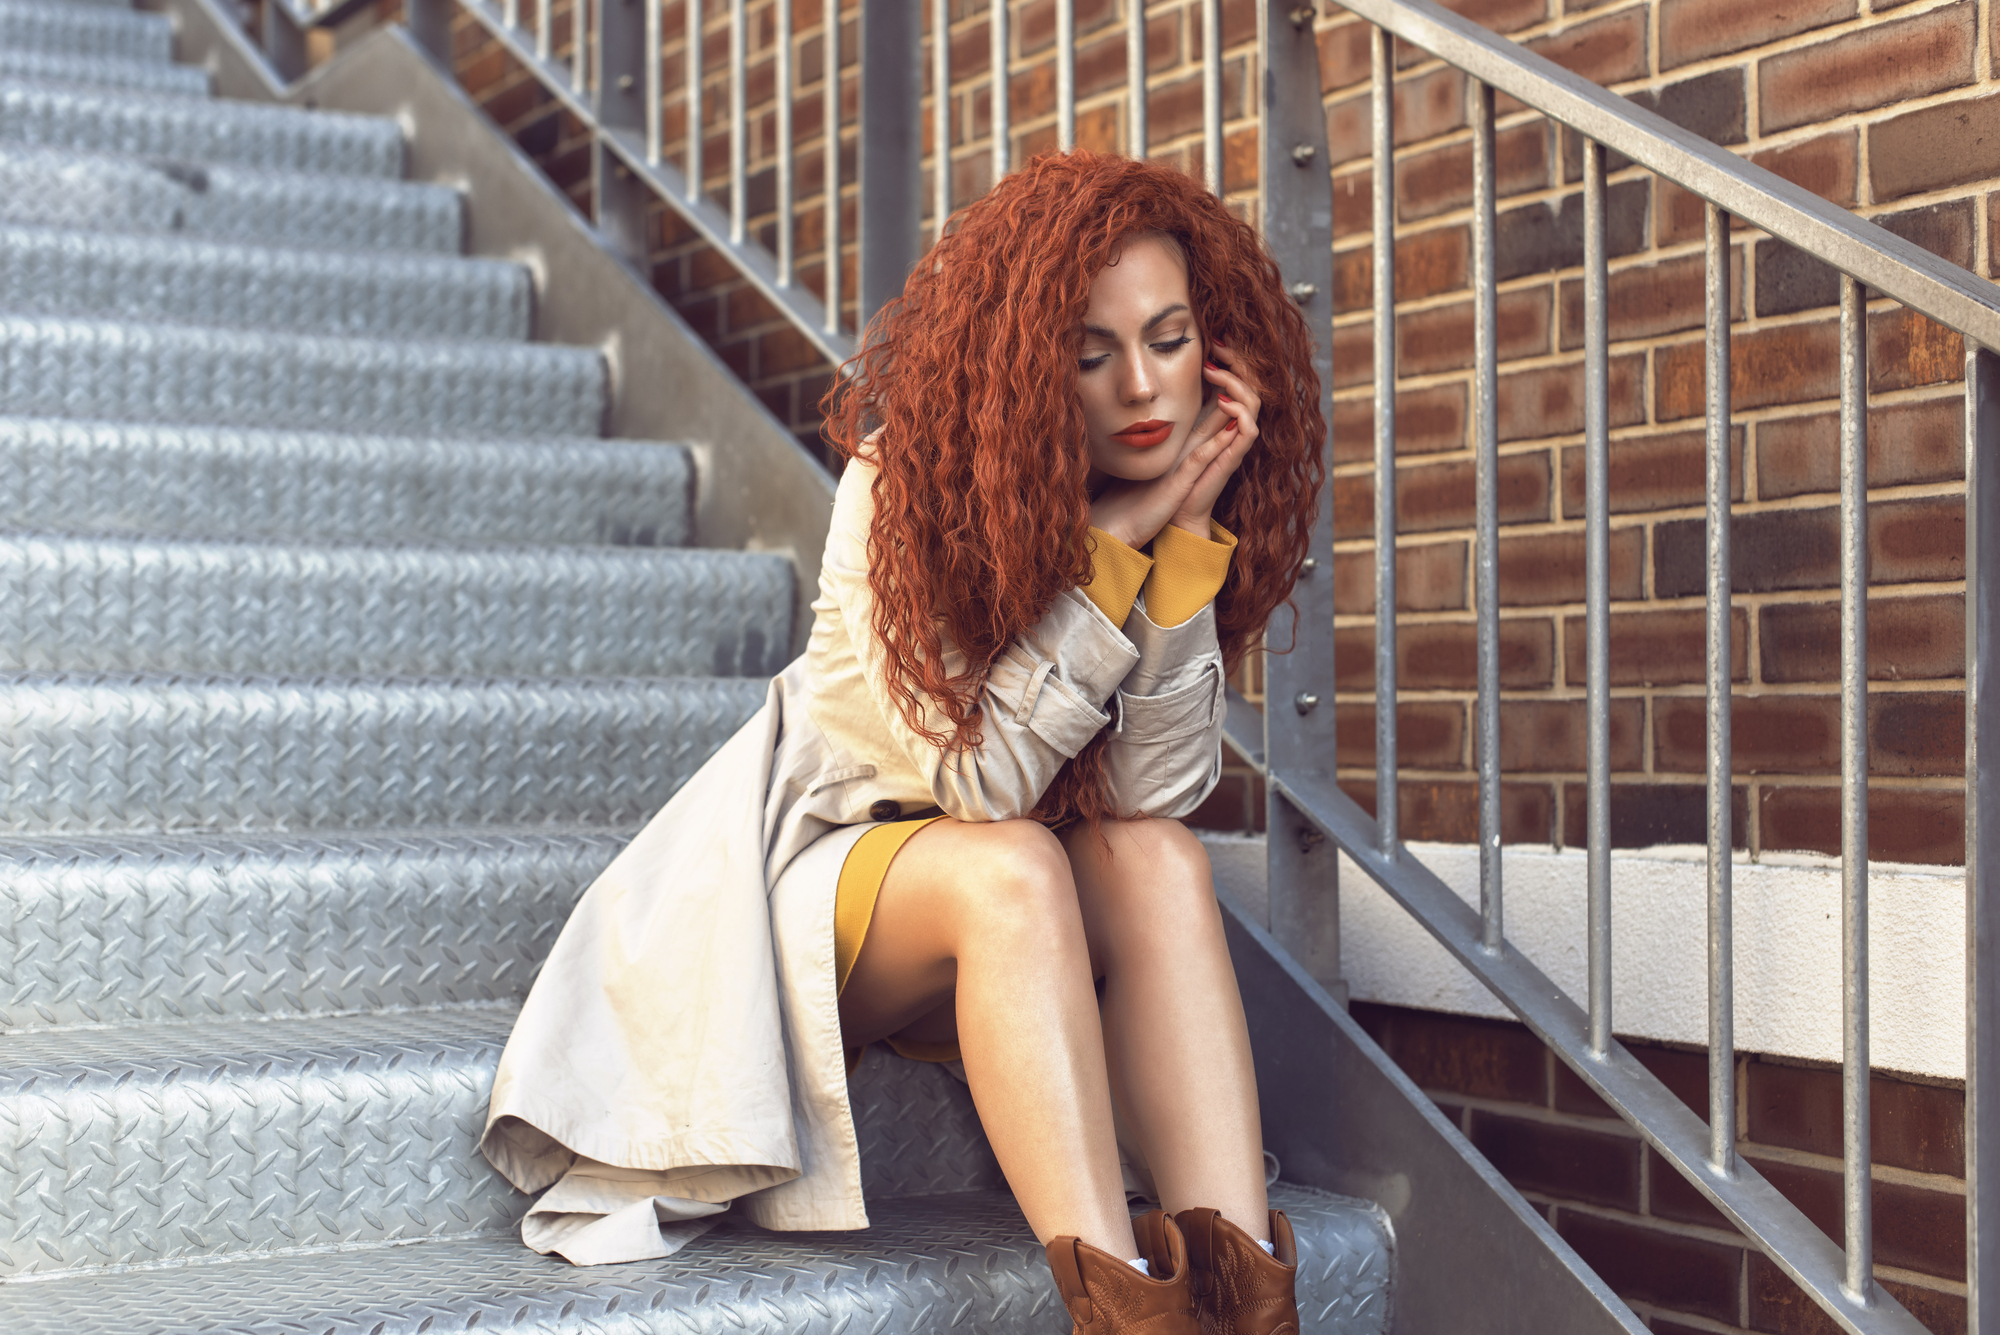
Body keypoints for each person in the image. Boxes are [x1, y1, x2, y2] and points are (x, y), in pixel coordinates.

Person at [479, 150, 1326, 1335]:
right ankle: (1127, 1320)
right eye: (1091, 353)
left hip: (1003, 907)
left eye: (1170, 338)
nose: (1142, 384)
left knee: (1161, 860)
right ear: (1035, 362)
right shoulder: (906, 485)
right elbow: (977, 786)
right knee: (1016, 863)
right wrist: (1116, 546)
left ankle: (1250, 1312)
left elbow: (1153, 791)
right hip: (832, 881)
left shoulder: (1167, 497)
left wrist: (1179, 550)